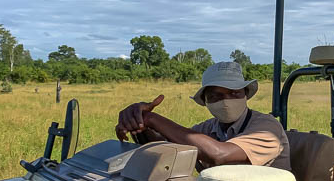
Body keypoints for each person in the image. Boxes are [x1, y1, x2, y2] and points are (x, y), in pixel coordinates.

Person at [115, 61, 290, 171]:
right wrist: (140, 126)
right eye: (216, 96)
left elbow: (219, 154)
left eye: (234, 93)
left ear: (245, 94)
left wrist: (153, 119)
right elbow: (170, 151)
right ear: (205, 101)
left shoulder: (266, 128)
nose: (226, 101)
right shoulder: (208, 129)